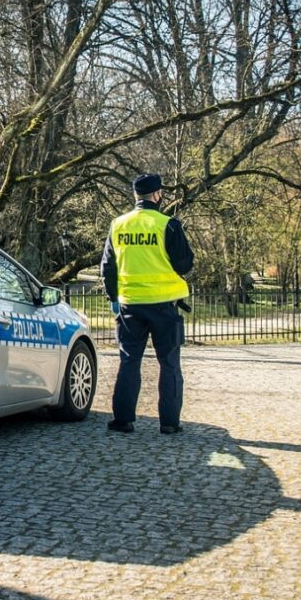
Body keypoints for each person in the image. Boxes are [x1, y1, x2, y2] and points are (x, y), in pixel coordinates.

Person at [99, 173, 194, 434]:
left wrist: (113, 298)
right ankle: (170, 423)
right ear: (157, 195)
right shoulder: (169, 225)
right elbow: (185, 264)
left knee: (129, 360)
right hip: (164, 304)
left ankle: (123, 420)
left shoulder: (118, 225)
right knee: (169, 362)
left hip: (130, 304)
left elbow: (107, 267)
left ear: (135, 196)